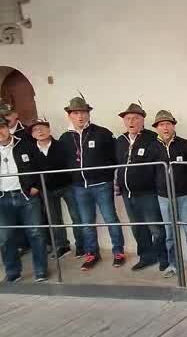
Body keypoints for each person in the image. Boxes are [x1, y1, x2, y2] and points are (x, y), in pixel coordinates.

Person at [59, 95, 125, 270]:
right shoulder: (65, 138)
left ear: (88, 114)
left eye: (83, 112)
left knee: (111, 219)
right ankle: (92, 253)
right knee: (87, 222)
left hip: (102, 185)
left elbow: (115, 157)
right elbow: (63, 161)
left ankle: (118, 252)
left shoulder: (103, 133)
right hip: (79, 188)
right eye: (76, 113)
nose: (80, 116)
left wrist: (108, 177)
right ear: (69, 116)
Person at [147, 110, 187, 279]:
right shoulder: (152, 148)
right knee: (169, 234)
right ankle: (173, 264)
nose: (165, 127)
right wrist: (157, 190)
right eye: (161, 124)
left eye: (168, 124)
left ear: (173, 126)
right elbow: (150, 172)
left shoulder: (186, 146)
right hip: (163, 197)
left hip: (185, 196)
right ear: (156, 128)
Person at [115, 103, 168, 272]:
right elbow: (117, 165)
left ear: (143, 120)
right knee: (137, 227)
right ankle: (146, 257)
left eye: (135, 118)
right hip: (128, 194)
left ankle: (163, 257)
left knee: (156, 228)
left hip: (148, 193)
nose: (131, 121)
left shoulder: (152, 138)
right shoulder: (120, 141)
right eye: (128, 118)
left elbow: (161, 165)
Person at [0, 117, 48, 282]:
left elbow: (41, 166)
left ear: (8, 128)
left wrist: (37, 186)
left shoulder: (25, 144)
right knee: (5, 237)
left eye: (2, 127)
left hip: (26, 196)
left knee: (36, 233)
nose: (0, 132)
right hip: (2, 198)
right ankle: (13, 272)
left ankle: (40, 270)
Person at [29, 117, 83, 258]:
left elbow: (71, 163)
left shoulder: (62, 145)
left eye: (42, 127)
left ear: (49, 129)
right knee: (54, 219)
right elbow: (30, 170)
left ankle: (81, 245)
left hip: (67, 186)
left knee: (76, 216)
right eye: (35, 129)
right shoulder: (30, 150)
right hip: (46, 189)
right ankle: (62, 246)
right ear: (32, 134)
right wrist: (36, 186)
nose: (40, 131)